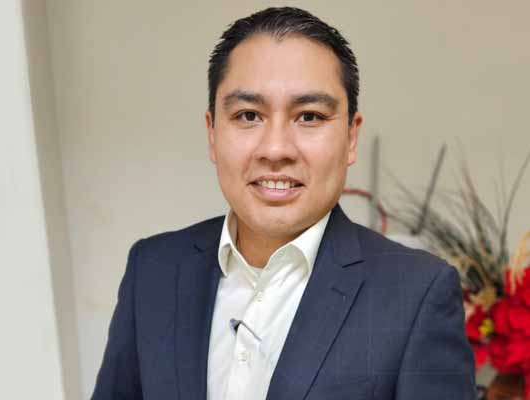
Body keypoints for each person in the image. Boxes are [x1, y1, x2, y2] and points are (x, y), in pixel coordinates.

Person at [91, 6, 476, 400]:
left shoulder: (416, 293)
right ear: (212, 132)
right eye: (248, 115)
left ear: (351, 138)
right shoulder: (153, 269)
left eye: (309, 116)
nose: (275, 149)